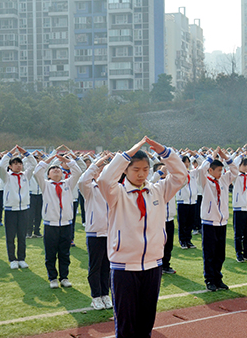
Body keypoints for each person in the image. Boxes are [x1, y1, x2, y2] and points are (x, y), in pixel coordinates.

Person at [97, 137, 187, 338]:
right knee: (126, 324)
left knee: (146, 323)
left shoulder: (158, 190)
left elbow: (181, 176)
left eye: (145, 169)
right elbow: (104, 180)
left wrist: (166, 153)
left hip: (152, 265)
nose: (141, 174)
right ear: (125, 170)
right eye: (136, 169)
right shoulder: (116, 193)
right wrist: (126, 155)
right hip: (124, 267)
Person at [34, 152, 82, 288]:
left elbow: (78, 172)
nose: (56, 170)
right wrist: (50, 160)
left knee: (64, 253)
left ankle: (64, 277)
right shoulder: (45, 185)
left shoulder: (68, 184)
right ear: (48, 175)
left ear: (62, 174)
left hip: (66, 224)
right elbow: (37, 172)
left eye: (58, 169)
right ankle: (52, 278)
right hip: (51, 225)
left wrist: (66, 160)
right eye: (52, 169)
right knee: (50, 253)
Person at [197, 147, 238, 291]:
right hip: (209, 221)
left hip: (222, 221)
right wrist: (212, 156)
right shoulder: (205, 180)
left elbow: (235, 170)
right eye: (218, 170)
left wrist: (225, 157)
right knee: (209, 253)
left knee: (220, 253)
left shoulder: (224, 180)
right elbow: (201, 170)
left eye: (222, 170)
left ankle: (218, 278)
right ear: (211, 170)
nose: (221, 173)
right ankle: (209, 280)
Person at [79, 153, 113, 310]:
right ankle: (95, 297)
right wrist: (97, 163)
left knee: (107, 266)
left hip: (110, 233)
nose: (101, 173)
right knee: (95, 266)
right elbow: (82, 180)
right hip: (95, 233)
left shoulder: (112, 189)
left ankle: (105, 295)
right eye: (99, 171)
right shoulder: (89, 188)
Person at [0, 145, 36, 269]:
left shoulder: (26, 175)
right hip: (10, 210)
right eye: (15, 164)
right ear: (10, 166)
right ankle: (12, 259)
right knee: (10, 236)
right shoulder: (6, 177)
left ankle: (21, 258)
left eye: (19, 163)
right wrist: (10, 154)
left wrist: (25, 153)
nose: (18, 166)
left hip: (24, 209)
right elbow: (0, 167)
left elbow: (33, 164)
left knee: (22, 235)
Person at [150, 162, 178, 274]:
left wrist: (171, 169)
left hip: (169, 219)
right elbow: (150, 182)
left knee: (169, 244)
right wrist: (160, 172)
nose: (164, 172)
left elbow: (183, 180)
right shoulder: (152, 184)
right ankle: (156, 265)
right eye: (160, 170)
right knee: (157, 244)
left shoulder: (170, 184)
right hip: (157, 220)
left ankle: (166, 265)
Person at [176, 154, 199, 249]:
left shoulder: (192, 173)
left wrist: (196, 155)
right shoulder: (177, 173)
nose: (187, 164)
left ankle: (188, 240)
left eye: (188, 162)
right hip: (183, 201)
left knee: (190, 222)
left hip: (192, 201)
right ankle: (182, 241)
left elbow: (202, 165)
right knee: (182, 223)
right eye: (184, 162)